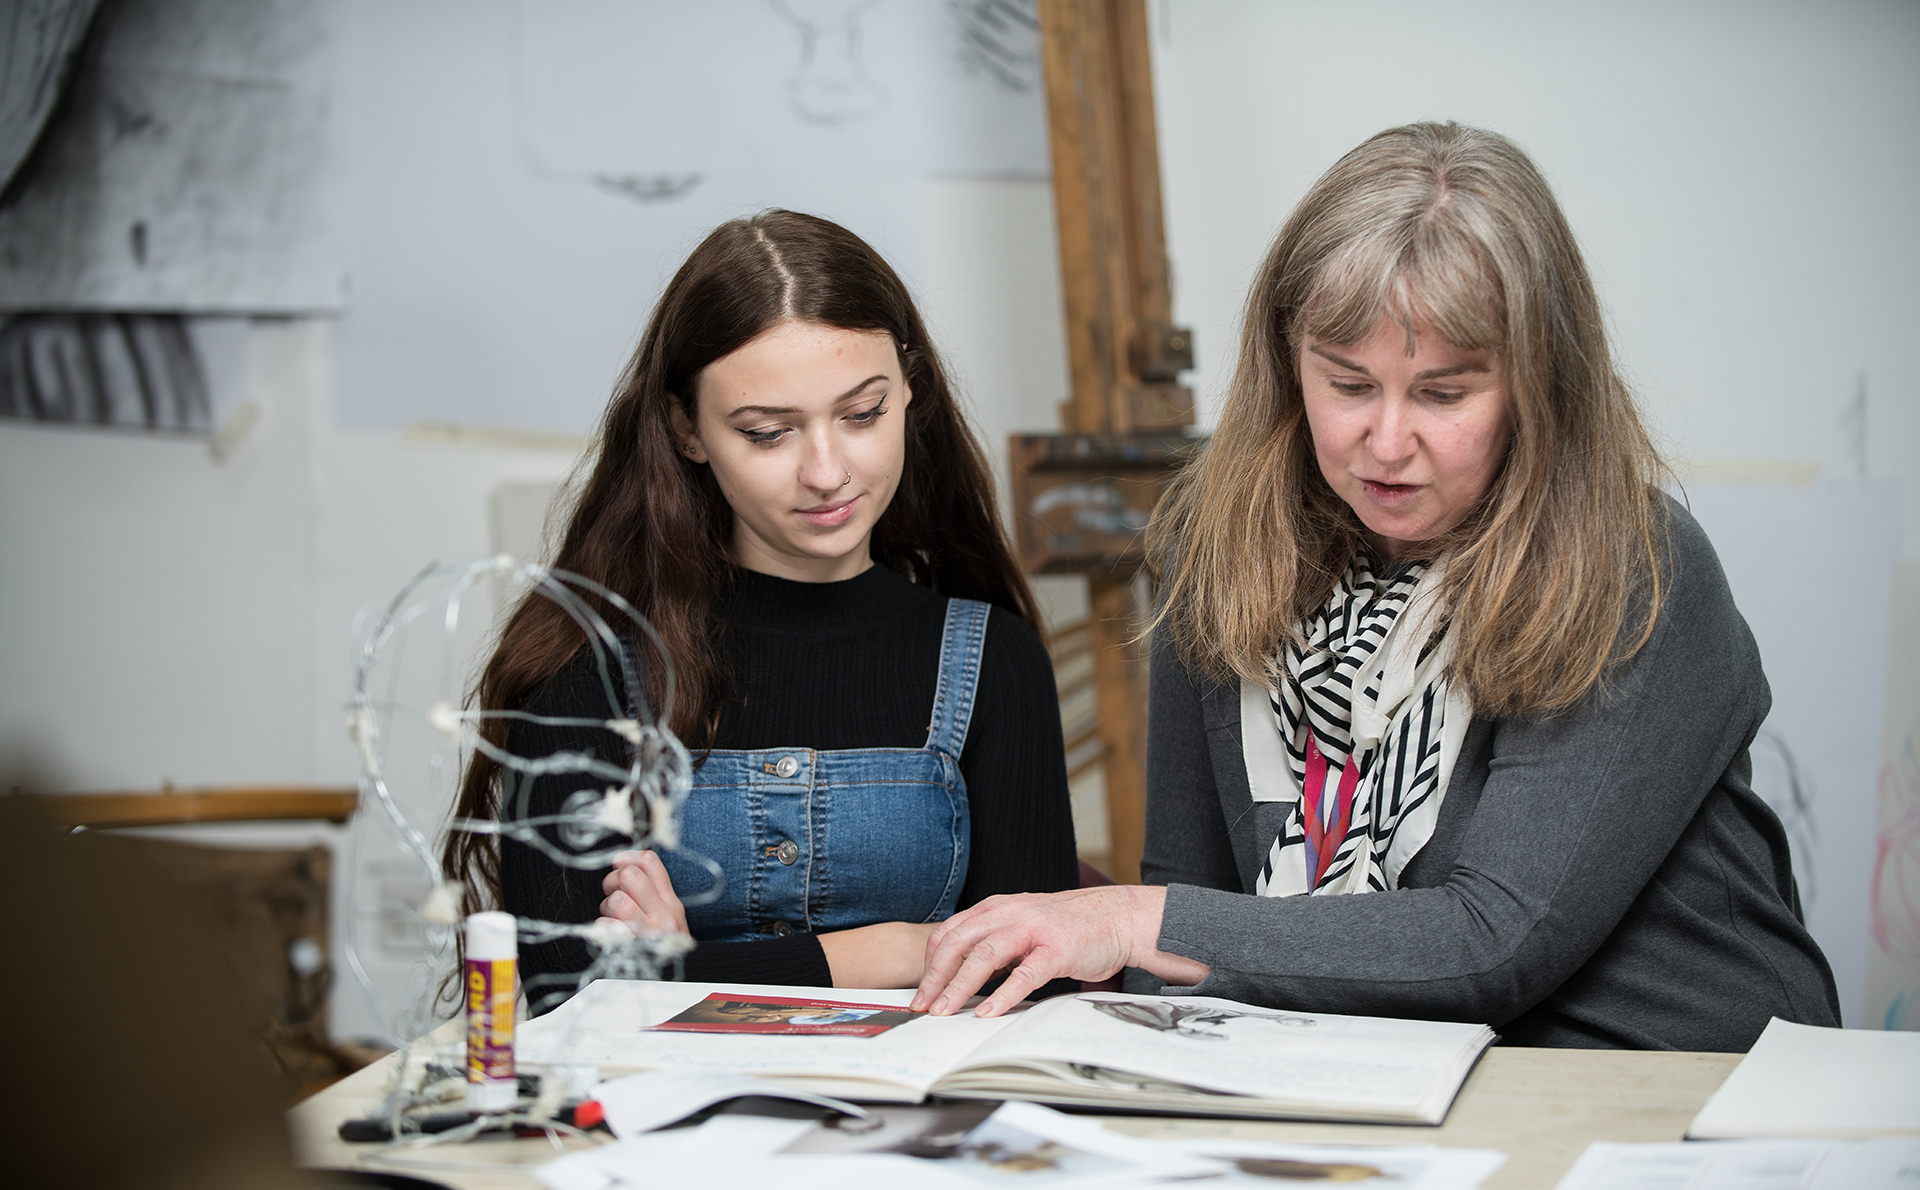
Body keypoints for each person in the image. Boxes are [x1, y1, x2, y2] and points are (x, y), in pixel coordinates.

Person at [912, 122, 1840, 1052]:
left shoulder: (1635, 563)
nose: (1388, 443)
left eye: (1444, 394)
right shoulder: (1216, 541)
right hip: (1357, 1060)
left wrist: (1131, 921)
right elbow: (1187, 900)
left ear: (1539, 386)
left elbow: (1494, 941)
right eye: (1349, 385)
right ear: (1289, 364)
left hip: (1666, 1070)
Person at [443, 210, 1078, 1005]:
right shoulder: (588, 667)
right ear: (688, 430)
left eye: (862, 414)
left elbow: (1034, 979)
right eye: (768, 432)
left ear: (909, 390)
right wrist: (896, 949)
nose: (826, 472)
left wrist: (678, 969)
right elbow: (561, 990)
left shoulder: (995, 661)